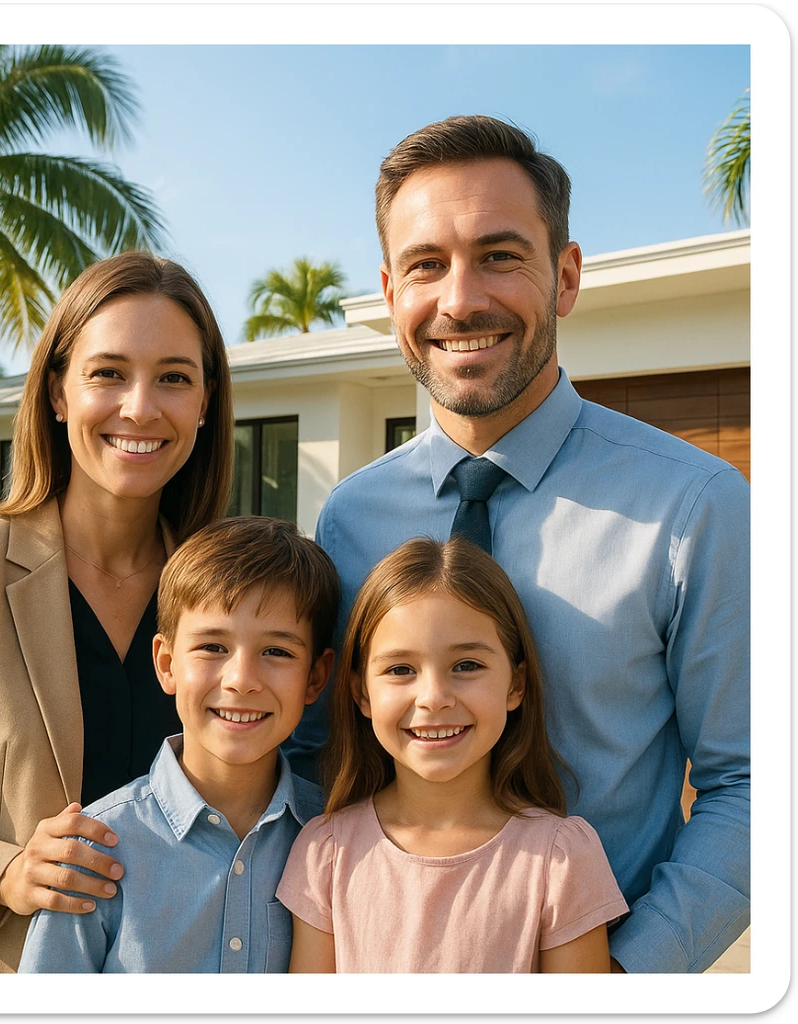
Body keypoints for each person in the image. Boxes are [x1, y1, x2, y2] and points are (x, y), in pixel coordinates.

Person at [285, 115, 750, 974]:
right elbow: (319, 756)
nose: (460, 299)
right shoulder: (350, 518)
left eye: (500, 255)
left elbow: (753, 783)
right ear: (391, 292)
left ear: (566, 276)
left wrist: (625, 978)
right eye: (426, 264)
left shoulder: (697, 506)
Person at [0, 252, 235, 973]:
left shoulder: (229, 590)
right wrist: (3, 871)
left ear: (206, 401)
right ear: (58, 391)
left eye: (174, 378)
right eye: (108, 373)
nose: (141, 407)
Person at [278, 537, 628, 973]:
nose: (434, 698)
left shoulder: (561, 858)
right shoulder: (326, 853)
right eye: (400, 669)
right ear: (360, 692)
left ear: (516, 685)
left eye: (466, 665)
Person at [17, 515, 339, 972]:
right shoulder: (95, 849)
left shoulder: (336, 840)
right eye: (212, 647)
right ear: (166, 663)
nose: (241, 680)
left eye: (277, 652)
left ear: (316, 677)